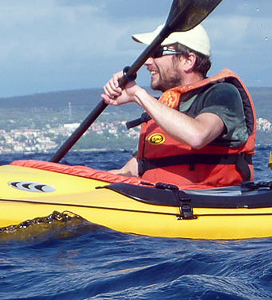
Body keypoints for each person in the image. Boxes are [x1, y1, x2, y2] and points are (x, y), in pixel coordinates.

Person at [101, 23, 256, 188]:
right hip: (160, 203)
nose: (147, 62)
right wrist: (77, 179)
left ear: (188, 61)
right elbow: (129, 171)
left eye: (156, 53)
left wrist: (138, 94)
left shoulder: (222, 93)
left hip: (208, 205)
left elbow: (197, 136)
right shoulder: (162, 110)